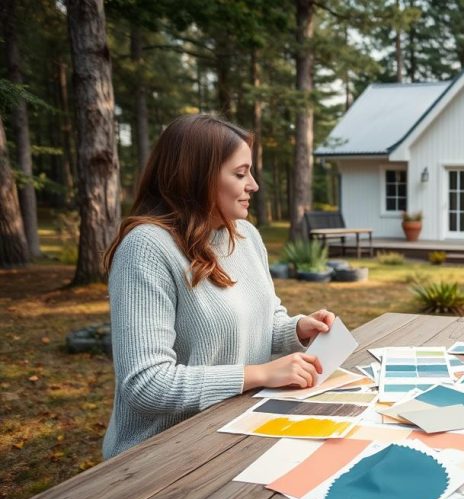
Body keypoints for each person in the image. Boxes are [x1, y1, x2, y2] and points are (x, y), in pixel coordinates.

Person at [102, 114, 338, 459]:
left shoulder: (245, 236)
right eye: (240, 174)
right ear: (196, 177)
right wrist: (260, 375)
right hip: (159, 456)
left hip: (235, 432)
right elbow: (146, 384)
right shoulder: (146, 248)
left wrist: (298, 330)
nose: (254, 185)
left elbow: (265, 324)